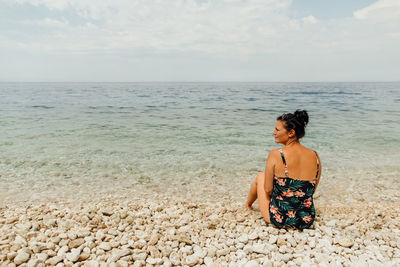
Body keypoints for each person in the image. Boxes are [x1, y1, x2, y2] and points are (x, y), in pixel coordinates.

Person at [246, 110, 321, 229]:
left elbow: (268, 189)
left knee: (261, 176)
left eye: (277, 130)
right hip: (306, 219)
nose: (273, 132)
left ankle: (247, 205)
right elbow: (312, 190)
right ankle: (248, 205)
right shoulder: (315, 156)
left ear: (291, 132)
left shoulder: (276, 154)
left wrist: (281, 197)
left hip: (279, 218)